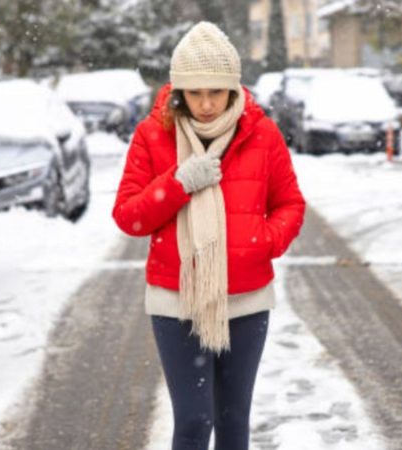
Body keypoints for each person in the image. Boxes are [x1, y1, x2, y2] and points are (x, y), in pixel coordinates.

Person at [112, 21, 305, 450]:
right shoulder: (152, 134)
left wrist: (263, 243)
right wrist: (178, 182)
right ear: (178, 90)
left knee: (234, 421)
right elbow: (129, 216)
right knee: (195, 422)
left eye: (215, 92)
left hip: (247, 299)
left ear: (233, 90)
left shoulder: (262, 135)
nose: (205, 104)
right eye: (194, 93)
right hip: (175, 301)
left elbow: (291, 203)